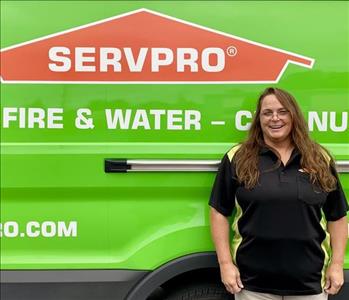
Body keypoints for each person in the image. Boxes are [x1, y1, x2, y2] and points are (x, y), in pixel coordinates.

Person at [209, 87, 348, 300]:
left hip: (310, 284)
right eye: (267, 112)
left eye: (282, 112)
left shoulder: (318, 158)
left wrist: (337, 265)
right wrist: (225, 264)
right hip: (252, 285)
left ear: (294, 116)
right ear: (259, 119)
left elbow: (337, 216)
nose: (275, 118)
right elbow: (218, 211)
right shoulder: (238, 157)